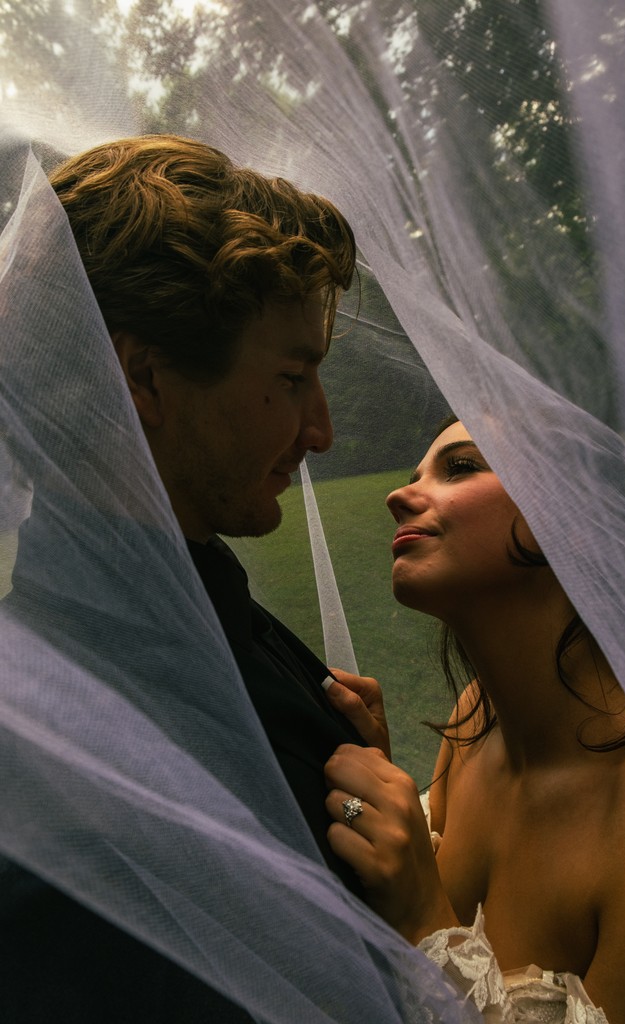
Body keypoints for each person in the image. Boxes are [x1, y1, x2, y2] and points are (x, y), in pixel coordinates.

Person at [0, 133, 378, 1022]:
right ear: (144, 378)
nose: (320, 432)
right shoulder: (61, 771)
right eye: (291, 376)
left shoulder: (216, 626)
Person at [324, 416, 625, 1024]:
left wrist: (423, 921)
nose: (397, 495)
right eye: (416, 474)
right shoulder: (474, 720)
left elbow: (426, 916)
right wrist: (382, 790)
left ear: (572, 518)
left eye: (460, 468)